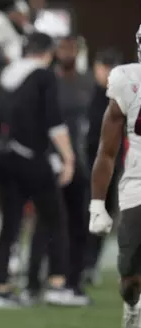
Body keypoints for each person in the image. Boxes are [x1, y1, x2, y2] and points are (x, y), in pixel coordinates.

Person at [0, 32, 75, 308]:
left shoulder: (6, 75)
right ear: (48, 52)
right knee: (55, 219)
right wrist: (69, 157)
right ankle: (57, 283)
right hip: (33, 157)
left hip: (4, 156)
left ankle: (0, 287)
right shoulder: (44, 76)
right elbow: (53, 121)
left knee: (10, 224)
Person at [25, 32, 95, 305]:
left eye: (72, 48)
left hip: (80, 159)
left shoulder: (86, 82)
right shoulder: (45, 79)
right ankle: (33, 282)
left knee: (78, 223)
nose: (68, 53)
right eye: (63, 48)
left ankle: (72, 282)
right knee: (46, 223)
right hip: (51, 158)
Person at [89, 24, 141, 328]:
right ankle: (133, 306)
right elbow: (107, 150)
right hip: (138, 183)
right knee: (130, 276)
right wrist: (97, 204)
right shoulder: (128, 82)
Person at [83, 48, 123, 285]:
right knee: (80, 214)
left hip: (109, 166)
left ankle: (90, 264)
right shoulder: (84, 92)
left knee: (102, 216)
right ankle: (76, 262)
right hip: (85, 164)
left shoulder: (122, 97)